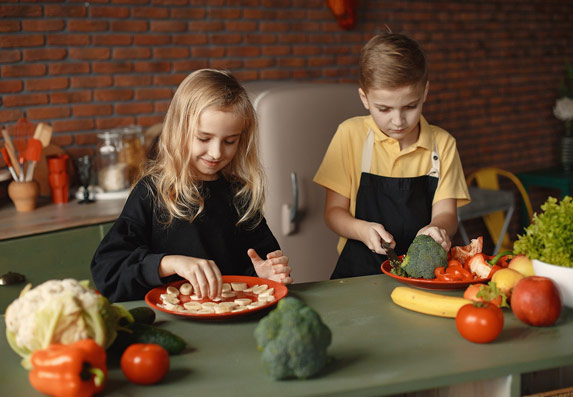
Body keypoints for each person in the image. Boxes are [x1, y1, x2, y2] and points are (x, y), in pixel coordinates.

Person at [91, 69, 292, 302]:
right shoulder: (151, 192)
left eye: (229, 141)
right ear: (179, 129)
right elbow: (108, 271)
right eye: (204, 138)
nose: (217, 152)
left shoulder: (240, 196)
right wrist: (168, 263)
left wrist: (265, 275)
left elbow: (257, 272)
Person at [313, 32, 470, 279]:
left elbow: (448, 215)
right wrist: (361, 229)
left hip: (424, 275)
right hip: (358, 273)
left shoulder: (443, 144)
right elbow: (333, 213)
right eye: (384, 109)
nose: (398, 121)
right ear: (364, 98)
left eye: (410, 106)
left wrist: (436, 228)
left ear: (425, 93)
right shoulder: (349, 135)